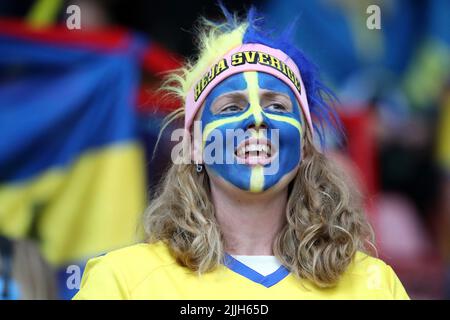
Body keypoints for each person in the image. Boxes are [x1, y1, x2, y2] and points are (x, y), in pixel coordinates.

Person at [73, 7, 409, 300]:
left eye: (276, 105)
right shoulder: (122, 282)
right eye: (231, 107)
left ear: (306, 145)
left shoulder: (374, 285)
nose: (256, 119)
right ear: (195, 147)